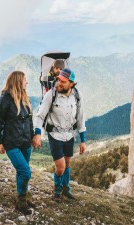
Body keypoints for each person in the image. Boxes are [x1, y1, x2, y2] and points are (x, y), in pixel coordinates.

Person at [33, 68, 86, 202]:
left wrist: (83, 140)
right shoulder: (51, 94)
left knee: (67, 164)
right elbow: (40, 116)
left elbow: (80, 118)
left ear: (72, 83)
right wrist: (38, 134)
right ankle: (57, 191)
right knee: (61, 167)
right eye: (58, 80)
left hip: (69, 135)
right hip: (55, 135)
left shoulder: (77, 96)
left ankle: (66, 189)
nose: (59, 83)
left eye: (63, 81)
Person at [0, 71, 36, 215]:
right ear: (18, 81)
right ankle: (21, 202)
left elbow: (30, 120)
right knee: (26, 172)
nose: (27, 82)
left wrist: (33, 137)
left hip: (25, 143)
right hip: (11, 144)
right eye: (25, 80)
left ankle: (21, 199)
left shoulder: (25, 97)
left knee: (21, 172)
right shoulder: (5, 99)